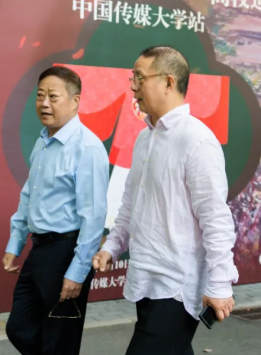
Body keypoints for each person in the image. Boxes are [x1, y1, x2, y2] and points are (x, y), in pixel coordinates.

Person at [92, 46, 239, 355]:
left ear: (168, 82)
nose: (133, 87)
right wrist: (112, 246)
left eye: (140, 78)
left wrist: (220, 284)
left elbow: (215, 218)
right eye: (132, 78)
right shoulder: (144, 138)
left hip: (176, 284)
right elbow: (131, 204)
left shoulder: (197, 139)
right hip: (145, 275)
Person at [3, 66, 109, 355]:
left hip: (66, 252)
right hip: (40, 251)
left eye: (53, 96)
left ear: (75, 101)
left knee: (60, 339)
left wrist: (78, 271)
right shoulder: (43, 142)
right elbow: (29, 195)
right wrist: (15, 242)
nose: (45, 103)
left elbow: (93, 217)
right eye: (40, 95)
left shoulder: (87, 147)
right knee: (19, 328)